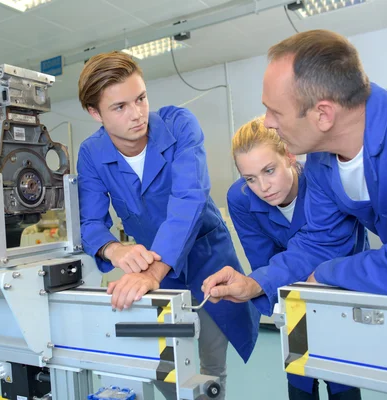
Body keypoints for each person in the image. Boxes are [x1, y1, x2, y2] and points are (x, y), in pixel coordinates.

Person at [203, 29, 387, 324]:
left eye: (274, 111)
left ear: (323, 115)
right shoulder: (321, 162)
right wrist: (254, 284)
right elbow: (319, 244)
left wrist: (328, 273)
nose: (267, 122)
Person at [76, 51, 260, 399]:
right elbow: (90, 222)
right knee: (164, 365)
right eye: (120, 107)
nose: (137, 114)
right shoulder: (91, 153)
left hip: (207, 261)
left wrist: (152, 273)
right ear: (94, 113)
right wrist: (113, 248)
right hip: (155, 272)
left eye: (141, 98)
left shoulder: (178, 125)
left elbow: (188, 201)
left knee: (210, 368)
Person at [226, 115, 364, 399]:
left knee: (341, 375)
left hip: (338, 284)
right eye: (250, 178)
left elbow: (330, 250)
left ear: (289, 155)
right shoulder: (241, 199)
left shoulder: (323, 183)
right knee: (298, 371)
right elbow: (262, 259)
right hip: (288, 291)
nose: (263, 187)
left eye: (269, 170)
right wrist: (270, 288)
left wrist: (263, 282)